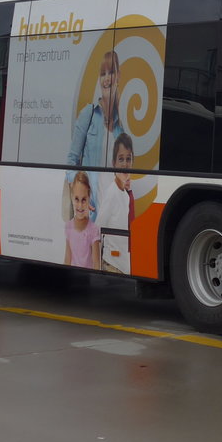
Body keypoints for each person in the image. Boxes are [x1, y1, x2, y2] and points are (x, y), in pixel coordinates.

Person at [67, 50, 123, 169]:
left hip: (110, 188)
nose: (106, 78)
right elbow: (72, 159)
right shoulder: (89, 113)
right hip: (90, 188)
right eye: (103, 74)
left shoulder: (120, 129)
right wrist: (77, 185)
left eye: (111, 72)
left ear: (118, 76)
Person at [94, 132, 136, 274]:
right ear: (113, 163)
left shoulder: (125, 194)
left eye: (128, 159)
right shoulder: (112, 192)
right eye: (121, 159)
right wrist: (96, 265)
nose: (125, 164)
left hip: (124, 265)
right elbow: (98, 228)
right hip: (112, 264)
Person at [62, 171, 100, 269]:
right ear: (72, 197)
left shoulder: (93, 230)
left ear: (89, 198)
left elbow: (96, 264)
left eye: (84, 200)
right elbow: (67, 259)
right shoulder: (68, 226)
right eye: (76, 199)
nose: (80, 205)